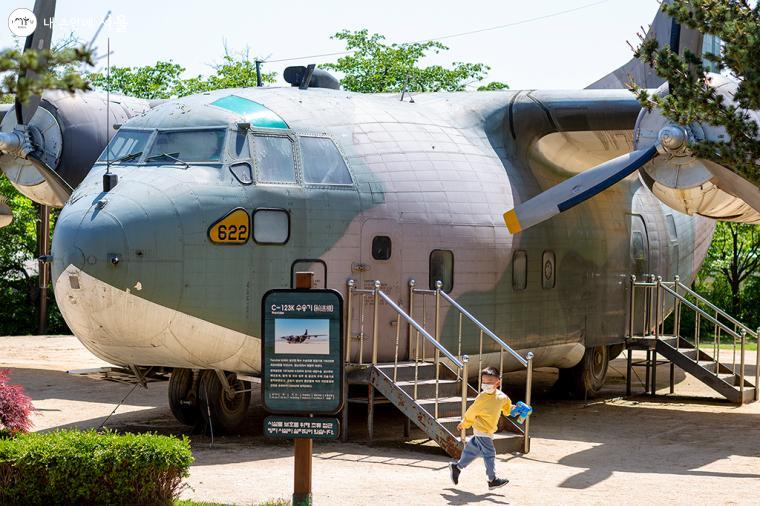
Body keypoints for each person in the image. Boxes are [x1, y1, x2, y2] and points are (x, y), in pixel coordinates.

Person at [449, 367, 512, 489]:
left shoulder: (502, 397)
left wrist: (519, 409)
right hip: (482, 429)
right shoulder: (481, 398)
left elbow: (507, 409)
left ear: (498, 382)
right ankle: (492, 479)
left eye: (489, 382)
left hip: (489, 430)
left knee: (472, 451)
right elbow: (471, 412)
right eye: (484, 382)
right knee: (489, 453)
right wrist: (465, 423)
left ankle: (457, 467)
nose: (486, 385)